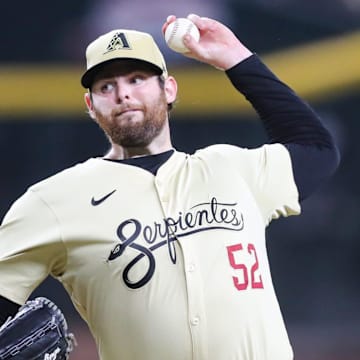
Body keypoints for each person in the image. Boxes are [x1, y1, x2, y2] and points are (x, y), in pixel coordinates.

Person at [0, 13, 339, 360]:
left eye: (137, 78)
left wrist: (236, 58)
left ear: (169, 89)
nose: (123, 94)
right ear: (91, 106)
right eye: (106, 86)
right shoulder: (53, 202)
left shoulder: (232, 169)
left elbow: (317, 149)